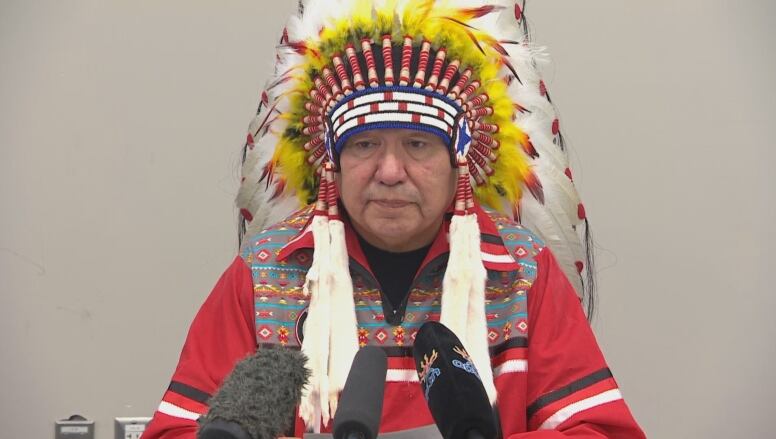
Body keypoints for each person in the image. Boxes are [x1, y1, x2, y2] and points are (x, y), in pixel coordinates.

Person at [143, 1, 645, 437]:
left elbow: (599, 431)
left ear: (459, 164)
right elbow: (177, 431)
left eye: (417, 145)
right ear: (331, 163)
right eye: (364, 145)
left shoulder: (521, 271)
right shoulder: (265, 273)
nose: (389, 172)